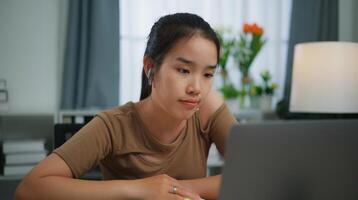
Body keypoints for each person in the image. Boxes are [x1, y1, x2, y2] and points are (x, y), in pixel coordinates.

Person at [15, 13, 237, 200]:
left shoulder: (207, 109)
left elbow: (254, 175)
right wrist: (139, 189)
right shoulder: (113, 125)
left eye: (208, 74)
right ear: (150, 67)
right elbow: (29, 188)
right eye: (184, 71)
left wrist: (173, 190)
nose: (197, 88)